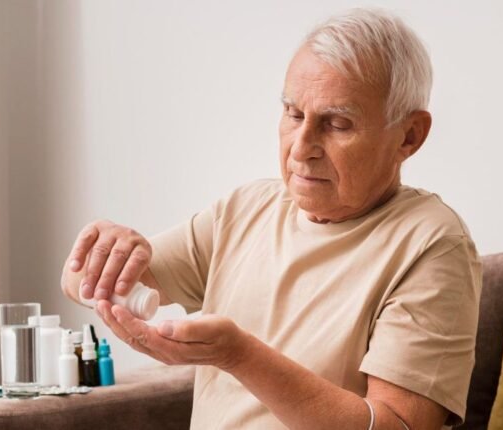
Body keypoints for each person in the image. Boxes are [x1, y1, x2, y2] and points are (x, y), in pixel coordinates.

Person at [61, 8, 481, 430]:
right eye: (294, 115)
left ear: (409, 135)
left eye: (338, 124)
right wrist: (101, 251)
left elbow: (397, 426)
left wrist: (239, 356)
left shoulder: (431, 243)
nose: (301, 148)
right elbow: (82, 281)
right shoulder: (246, 209)